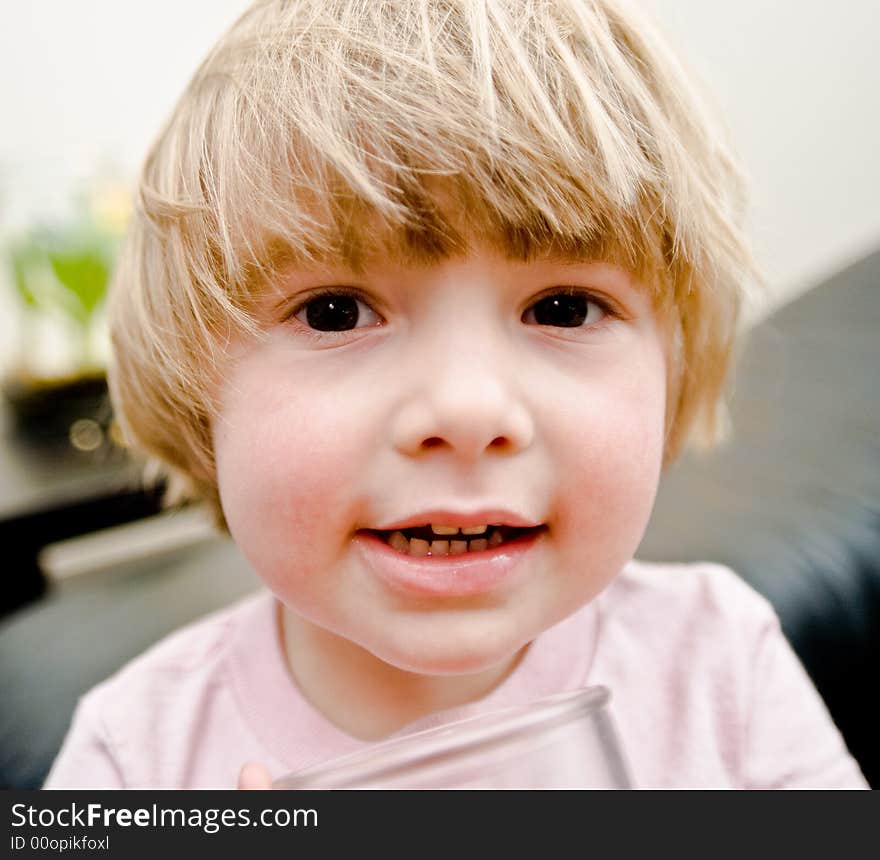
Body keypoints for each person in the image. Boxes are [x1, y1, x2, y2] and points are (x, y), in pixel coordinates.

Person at [45, 0, 866, 789]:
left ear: (673, 367)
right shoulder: (130, 756)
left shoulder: (722, 665)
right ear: (199, 396)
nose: (468, 411)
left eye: (563, 308)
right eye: (336, 313)